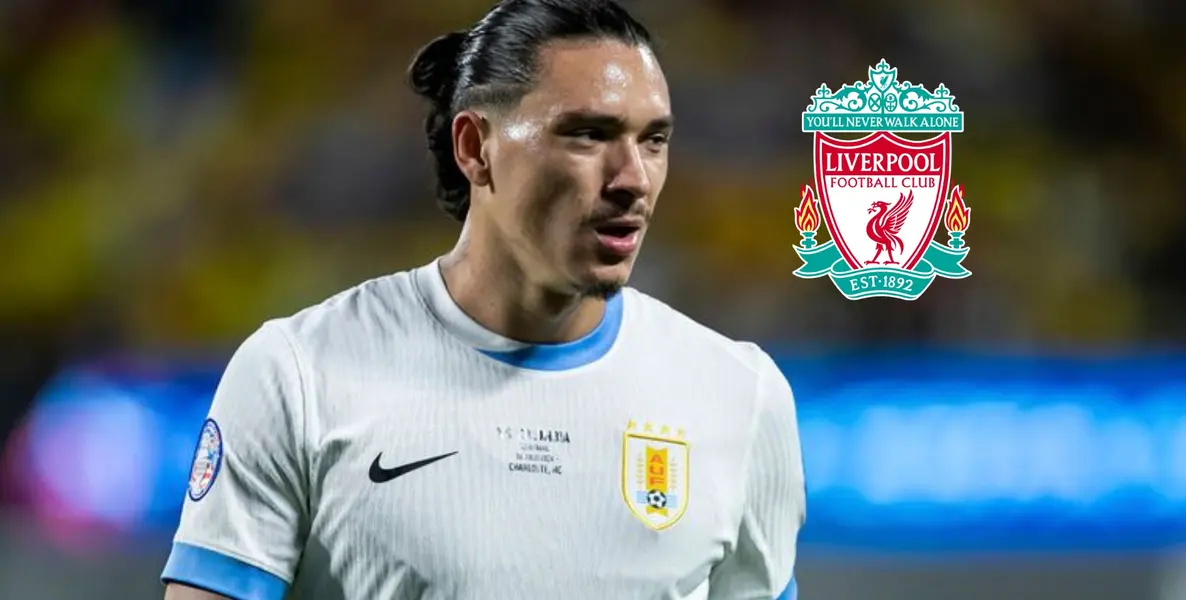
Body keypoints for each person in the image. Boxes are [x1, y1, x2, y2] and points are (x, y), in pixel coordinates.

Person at [161, 0, 805, 598]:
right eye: (586, 134)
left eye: (653, 139)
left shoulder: (740, 396)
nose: (633, 178)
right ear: (475, 147)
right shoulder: (298, 374)